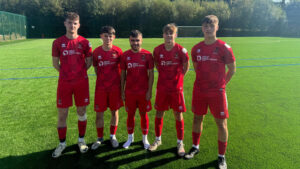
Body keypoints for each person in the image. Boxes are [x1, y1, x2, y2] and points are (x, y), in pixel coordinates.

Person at [184, 15, 236, 169]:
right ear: (202, 28)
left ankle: (221, 157)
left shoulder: (224, 48)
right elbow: (197, 68)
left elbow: (232, 70)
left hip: (217, 93)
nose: (208, 28)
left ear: (217, 27)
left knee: (221, 124)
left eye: (211, 25)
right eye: (205, 26)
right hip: (199, 91)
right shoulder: (196, 48)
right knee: (197, 119)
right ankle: (195, 147)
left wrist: (221, 86)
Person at [51, 12, 92, 158]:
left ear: (79, 25)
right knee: (62, 114)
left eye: (75, 23)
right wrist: (68, 75)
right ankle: (62, 144)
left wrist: (79, 73)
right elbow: (55, 64)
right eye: (69, 22)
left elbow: (89, 62)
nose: (72, 26)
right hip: (64, 84)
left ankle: (81, 140)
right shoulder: (57, 42)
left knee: (81, 111)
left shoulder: (85, 42)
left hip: (81, 83)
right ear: (65, 23)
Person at [148, 23, 189, 157]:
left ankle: (180, 142)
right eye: (166, 33)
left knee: (178, 114)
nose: (169, 36)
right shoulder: (157, 50)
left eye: (171, 33)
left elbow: (186, 66)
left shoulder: (181, 50)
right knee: (159, 113)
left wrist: (179, 78)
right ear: (163, 35)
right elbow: (157, 65)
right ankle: (158, 139)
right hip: (162, 88)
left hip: (177, 89)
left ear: (175, 35)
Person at [91, 26, 123, 150]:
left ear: (114, 37)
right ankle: (99, 138)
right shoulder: (96, 52)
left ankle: (112, 136)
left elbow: (122, 70)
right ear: (101, 37)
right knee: (99, 114)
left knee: (114, 112)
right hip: (101, 88)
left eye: (110, 36)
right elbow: (96, 69)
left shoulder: (118, 51)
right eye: (105, 36)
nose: (108, 38)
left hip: (115, 88)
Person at [120, 30, 154, 149]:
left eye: (137, 40)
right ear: (129, 40)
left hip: (143, 92)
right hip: (130, 92)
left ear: (141, 40)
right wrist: (122, 91)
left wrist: (149, 91)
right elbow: (123, 74)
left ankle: (145, 138)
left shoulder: (148, 55)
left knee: (144, 115)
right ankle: (130, 138)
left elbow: (151, 75)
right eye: (133, 40)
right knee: (130, 115)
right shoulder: (125, 55)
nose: (135, 43)